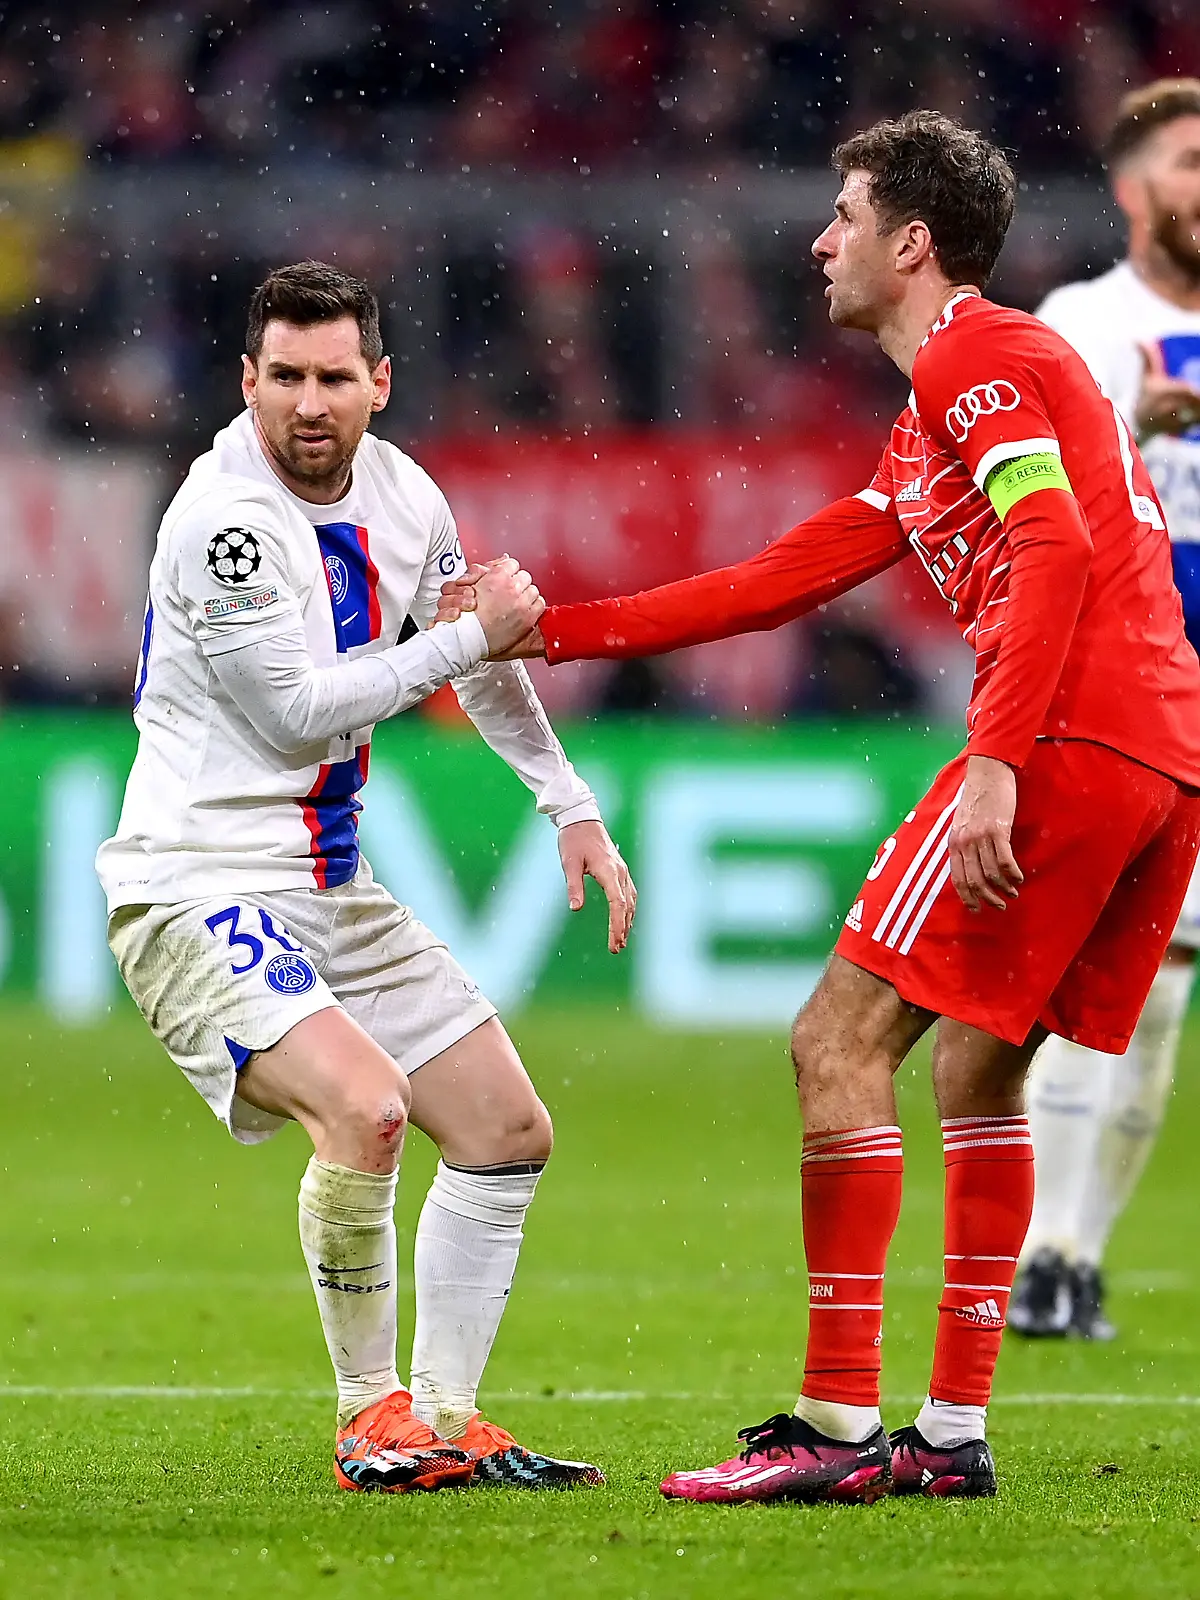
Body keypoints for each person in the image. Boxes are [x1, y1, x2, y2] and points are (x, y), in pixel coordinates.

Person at [438, 112, 1200, 1504]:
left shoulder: (973, 352)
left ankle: (835, 1425)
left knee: (836, 1040)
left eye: (844, 215)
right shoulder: (946, 409)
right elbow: (777, 580)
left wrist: (997, 758)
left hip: (1069, 737)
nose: (818, 240)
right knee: (978, 1073)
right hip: (1163, 754)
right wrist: (553, 633)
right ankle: (949, 1436)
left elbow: (1049, 540)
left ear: (912, 244)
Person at [95, 261, 636, 1494]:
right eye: (284, 375)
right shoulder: (223, 520)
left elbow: (482, 665)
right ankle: (368, 1416)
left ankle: (447, 1417)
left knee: (505, 1132)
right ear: (245, 381)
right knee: (367, 1107)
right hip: (195, 885)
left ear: (379, 382)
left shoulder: (405, 495)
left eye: (334, 376)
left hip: (331, 886)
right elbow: (296, 711)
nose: (309, 402)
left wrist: (567, 799)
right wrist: (467, 634)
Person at [1009, 79, 1200, 1342]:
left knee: (1170, 990)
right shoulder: (1082, 323)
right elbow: (1025, 483)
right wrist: (1132, 417)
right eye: (1190, 161)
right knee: (1114, 972)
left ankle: (1077, 1253)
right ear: (1134, 190)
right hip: (1127, 679)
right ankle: (1043, 1256)